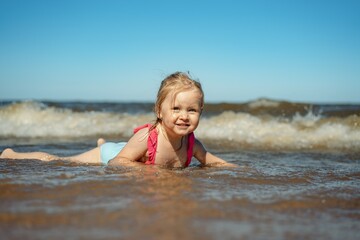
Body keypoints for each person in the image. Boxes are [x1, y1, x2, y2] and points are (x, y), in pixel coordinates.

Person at [0, 72, 236, 168]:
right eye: (176, 108)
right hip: (113, 154)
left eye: (192, 110)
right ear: (159, 111)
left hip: (126, 149)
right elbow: (117, 163)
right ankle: (11, 153)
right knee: (57, 160)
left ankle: (102, 142)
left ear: (201, 112)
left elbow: (217, 163)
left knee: (115, 147)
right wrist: (150, 174)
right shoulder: (147, 137)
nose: (184, 116)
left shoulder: (193, 145)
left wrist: (244, 171)